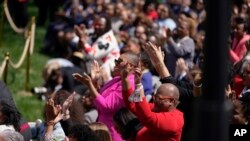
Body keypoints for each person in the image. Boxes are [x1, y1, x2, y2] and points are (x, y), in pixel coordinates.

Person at [73, 52, 138, 141]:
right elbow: (99, 100)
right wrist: (94, 82)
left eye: (119, 61)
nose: (115, 63)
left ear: (130, 66)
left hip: (113, 133)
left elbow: (106, 106)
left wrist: (89, 85)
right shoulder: (116, 79)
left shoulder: (129, 84)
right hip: (102, 129)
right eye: (116, 60)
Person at [121, 62, 184, 141]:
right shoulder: (157, 108)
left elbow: (147, 117)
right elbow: (132, 104)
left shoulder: (175, 120)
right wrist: (125, 79)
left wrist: (138, 85)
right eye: (154, 97)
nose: (154, 100)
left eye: (158, 98)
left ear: (171, 101)